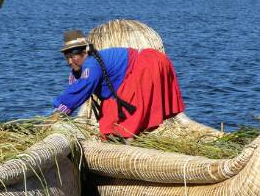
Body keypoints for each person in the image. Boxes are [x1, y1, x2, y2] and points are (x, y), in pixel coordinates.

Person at [52, 29, 185, 138]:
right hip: (136, 72)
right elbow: (74, 87)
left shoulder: (91, 65)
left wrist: (57, 114)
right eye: (67, 58)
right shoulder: (84, 66)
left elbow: (81, 89)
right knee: (109, 121)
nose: (70, 62)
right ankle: (127, 143)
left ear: (84, 52)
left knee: (119, 126)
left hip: (146, 67)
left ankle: (125, 150)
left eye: (72, 57)